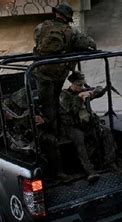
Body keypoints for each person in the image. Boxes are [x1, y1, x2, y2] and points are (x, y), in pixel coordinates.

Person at [59, 71, 120, 182]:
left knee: (106, 132)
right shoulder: (64, 95)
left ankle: (110, 161)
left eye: (82, 84)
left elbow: (98, 90)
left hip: (86, 123)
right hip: (72, 126)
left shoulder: (83, 91)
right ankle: (89, 171)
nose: (81, 87)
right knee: (79, 139)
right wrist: (79, 98)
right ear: (72, 84)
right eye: (78, 85)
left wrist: (95, 91)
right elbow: (71, 110)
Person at [33, 3, 75, 134]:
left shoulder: (41, 27)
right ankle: (58, 130)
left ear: (56, 13)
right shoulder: (69, 31)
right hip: (60, 72)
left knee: (46, 104)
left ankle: (49, 133)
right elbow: (85, 43)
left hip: (42, 71)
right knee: (56, 101)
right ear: (67, 18)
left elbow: (36, 41)